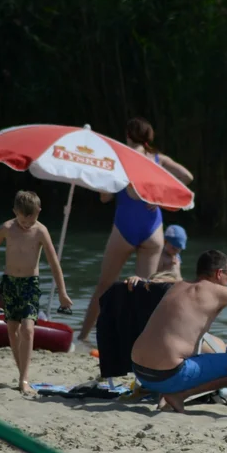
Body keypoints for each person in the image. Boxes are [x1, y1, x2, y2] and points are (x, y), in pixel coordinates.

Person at [76, 118, 194, 345]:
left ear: (128, 136)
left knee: (105, 286)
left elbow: (104, 197)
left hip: (124, 228)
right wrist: (159, 194)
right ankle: (139, 343)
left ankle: (82, 338)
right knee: (143, 291)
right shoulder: (158, 159)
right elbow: (187, 177)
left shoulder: (119, 159)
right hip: (153, 231)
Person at [130, 250, 227, 412]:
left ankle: (168, 394)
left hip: (140, 372)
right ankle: (180, 396)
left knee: (211, 351)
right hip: (168, 376)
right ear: (219, 273)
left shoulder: (178, 285)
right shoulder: (215, 290)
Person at [0, 190, 72, 398]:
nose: (27, 224)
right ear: (15, 212)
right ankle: (22, 374)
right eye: (23, 219)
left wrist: (63, 293)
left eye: (32, 219)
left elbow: (54, 264)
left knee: (28, 329)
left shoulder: (41, 231)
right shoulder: (7, 228)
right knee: (12, 329)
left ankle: (24, 379)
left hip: (30, 283)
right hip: (10, 283)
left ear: (38, 211)